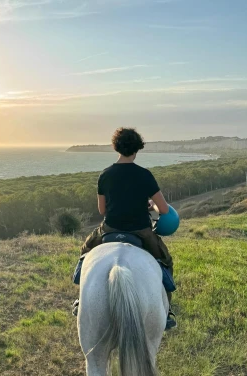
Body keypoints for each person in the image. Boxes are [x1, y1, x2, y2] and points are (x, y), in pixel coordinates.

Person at [75, 128, 176, 329]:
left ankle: (80, 300)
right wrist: (151, 205)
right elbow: (163, 209)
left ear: (116, 147)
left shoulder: (105, 175)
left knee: (86, 252)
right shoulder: (145, 175)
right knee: (165, 260)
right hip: (141, 231)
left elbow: (102, 210)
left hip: (110, 228)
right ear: (137, 148)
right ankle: (166, 312)